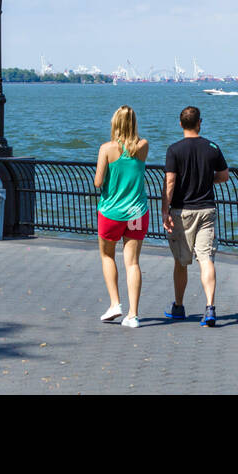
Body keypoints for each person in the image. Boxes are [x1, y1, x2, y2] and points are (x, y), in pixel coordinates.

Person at [162, 105, 229, 326]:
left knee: (181, 262)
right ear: (200, 122)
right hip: (207, 210)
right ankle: (210, 308)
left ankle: (179, 306)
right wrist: (206, 180)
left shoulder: (174, 150)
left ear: (181, 124)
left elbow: (170, 182)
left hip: (182, 211)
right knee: (206, 258)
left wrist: (165, 210)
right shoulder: (212, 147)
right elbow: (224, 175)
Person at [94, 105, 150, 328]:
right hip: (136, 211)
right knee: (133, 262)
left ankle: (115, 303)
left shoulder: (107, 149)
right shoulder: (143, 146)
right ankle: (133, 314)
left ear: (115, 123)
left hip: (112, 212)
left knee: (107, 256)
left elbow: (98, 182)